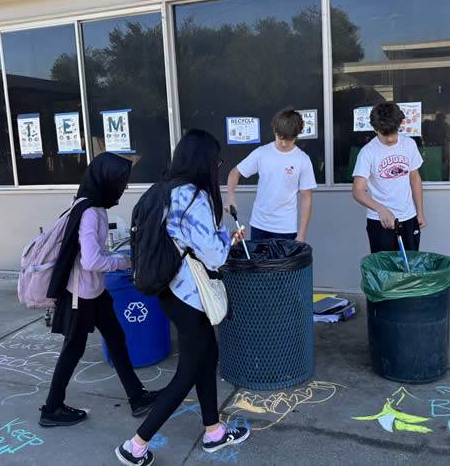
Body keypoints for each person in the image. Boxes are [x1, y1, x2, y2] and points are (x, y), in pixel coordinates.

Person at [116, 130, 250, 466]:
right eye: (216, 161)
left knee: (207, 357)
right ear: (204, 162)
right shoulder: (193, 197)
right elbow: (215, 256)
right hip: (191, 296)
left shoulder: (163, 191)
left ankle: (214, 432)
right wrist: (228, 238)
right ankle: (135, 446)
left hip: (167, 290)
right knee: (188, 371)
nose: (217, 167)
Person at [41, 153, 159, 427]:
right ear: (106, 181)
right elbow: (92, 260)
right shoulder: (91, 213)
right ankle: (52, 409)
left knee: (116, 339)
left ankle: (137, 395)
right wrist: (125, 262)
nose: (124, 188)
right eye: (121, 182)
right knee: (73, 349)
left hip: (93, 292)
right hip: (80, 295)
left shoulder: (87, 204)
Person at [226, 108, 317, 242]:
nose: (284, 143)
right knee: (259, 263)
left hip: (286, 227)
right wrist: (230, 197)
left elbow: (306, 197)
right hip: (259, 224)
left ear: (297, 135)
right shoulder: (261, 153)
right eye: (281, 137)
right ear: (274, 130)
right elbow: (235, 173)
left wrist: (302, 234)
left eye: (289, 139)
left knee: (284, 264)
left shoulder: (303, 160)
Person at [352, 102, 427, 253]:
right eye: (385, 134)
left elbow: (415, 179)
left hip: (409, 217)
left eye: (394, 132)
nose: (391, 139)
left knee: (410, 268)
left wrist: (419, 212)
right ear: (375, 129)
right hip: (379, 221)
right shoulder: (367, 152)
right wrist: (380, 209)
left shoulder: (409, 145)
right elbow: (358, 191)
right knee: (385, 272)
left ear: (400, 124)